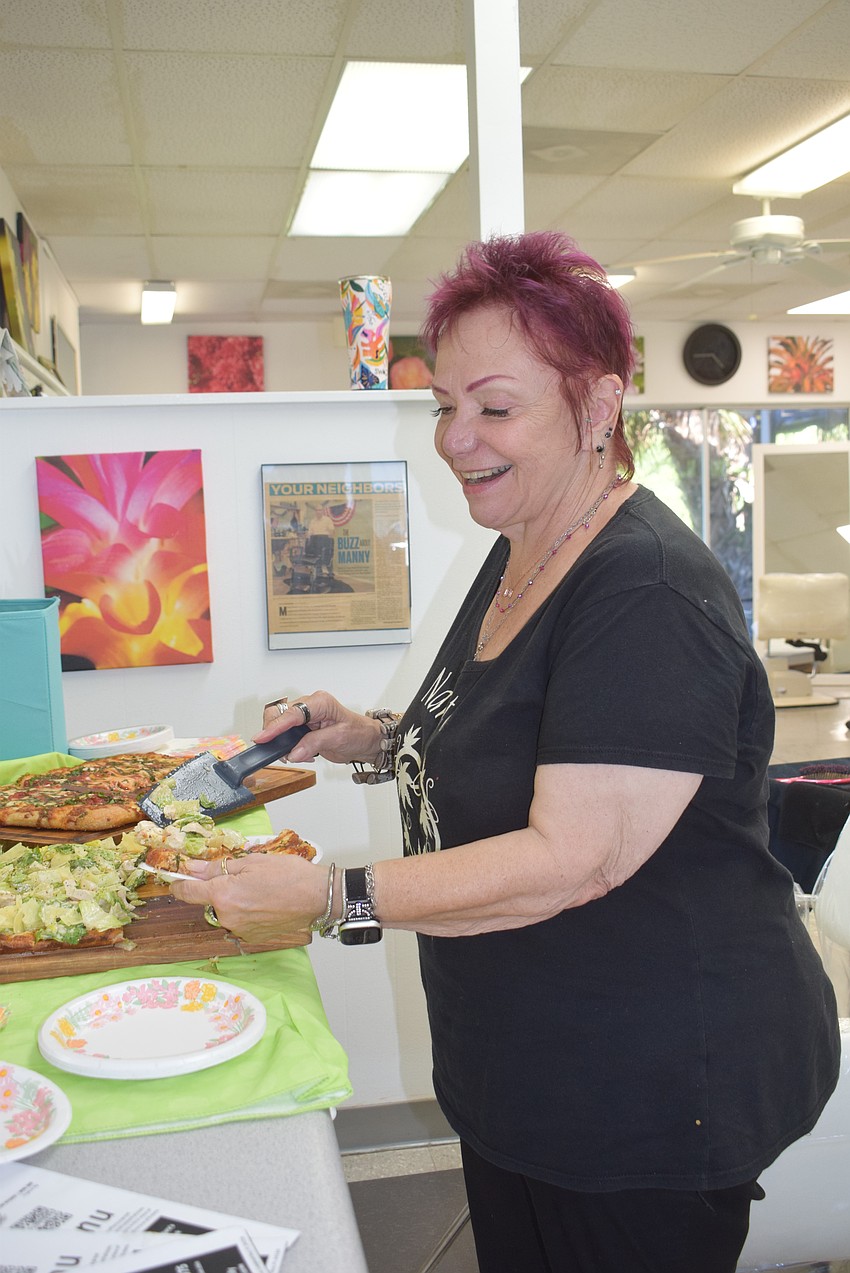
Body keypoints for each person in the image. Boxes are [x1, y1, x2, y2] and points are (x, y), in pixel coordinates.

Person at [172, 231, 840, 1273]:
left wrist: (325, 898)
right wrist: (377, 738)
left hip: (648, 1095)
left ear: (598, 407)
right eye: (444, 404)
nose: (454, 436)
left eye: (494, 406)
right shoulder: (522, 546)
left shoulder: (646, 592)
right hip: (526, 1069)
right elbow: (519, 735)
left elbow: (575, 857)